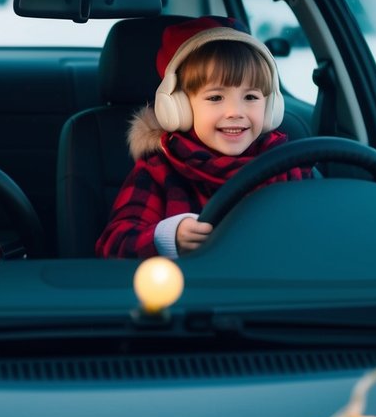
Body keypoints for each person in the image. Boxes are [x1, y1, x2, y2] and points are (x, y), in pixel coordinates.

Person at [95, 16, 306, 259]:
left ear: (271, 106)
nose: (236, 112)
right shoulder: (159, 170)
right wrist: (168, 237)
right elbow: (113, 244)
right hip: (193, 293)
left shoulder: (286, 164)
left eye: (250, 97)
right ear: (179, 106)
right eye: (216, 98)